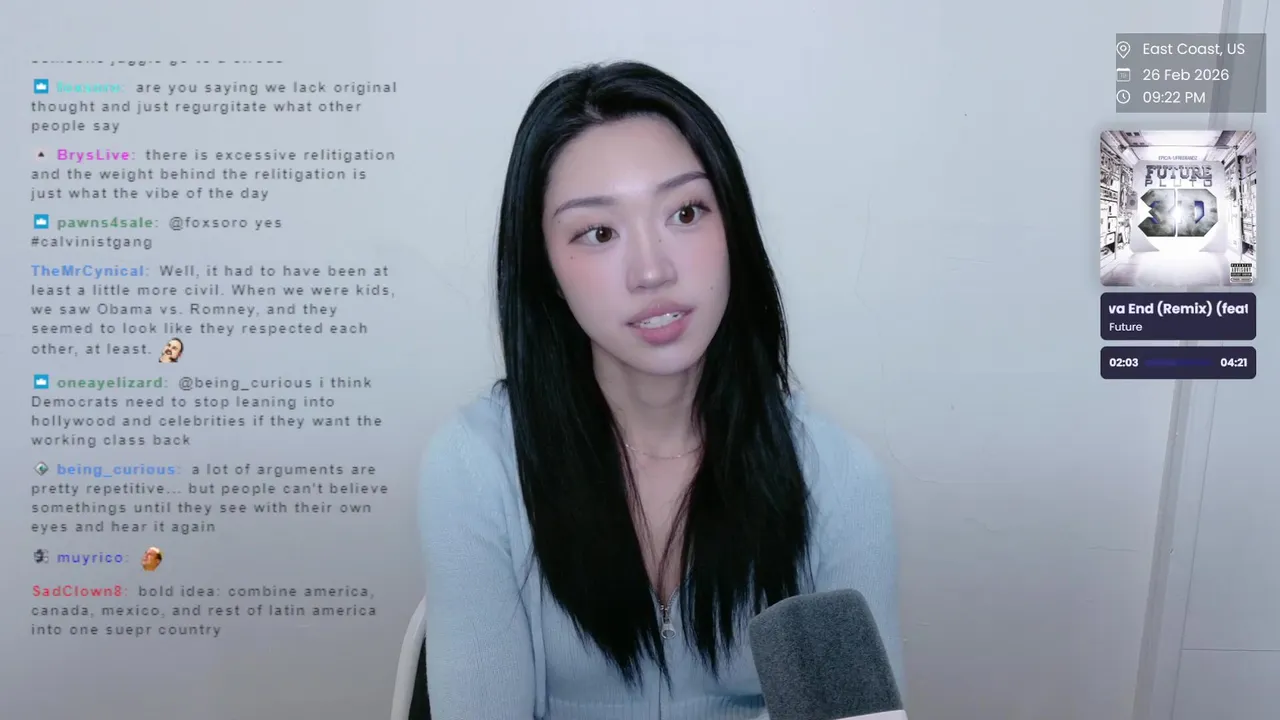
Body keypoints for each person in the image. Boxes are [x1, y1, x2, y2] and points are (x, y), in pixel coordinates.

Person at [419, 61, 903, 719]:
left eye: (685, 212)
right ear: (547, 268)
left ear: (732, 228)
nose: (652, 271)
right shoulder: (475, 470)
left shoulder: (839, 480)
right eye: (599, 233)